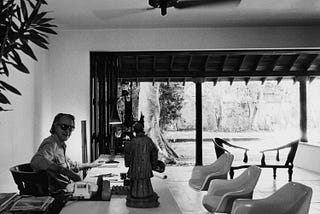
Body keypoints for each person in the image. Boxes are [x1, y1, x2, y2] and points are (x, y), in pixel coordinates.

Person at [30, 113, 99, 195]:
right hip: (58, 195)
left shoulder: (60, 145)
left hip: (66, 190)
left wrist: (90, 165)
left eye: (71, 128)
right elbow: (36, 161)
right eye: (64, 127)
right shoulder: (51, 144)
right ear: (55, 127)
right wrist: (66, 172)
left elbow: (71, 166)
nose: (67, 131)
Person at [124, 122, 159, 208]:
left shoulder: (132, 142)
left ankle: (136, 195)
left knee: (135, 184)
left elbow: (127, 152)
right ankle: (146, 194)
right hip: (146, 166)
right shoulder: (148, 141)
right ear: (142, 130)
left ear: (135, 131)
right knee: (146, 183)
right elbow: (155, 151)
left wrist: (128, 163)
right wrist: (153, 164)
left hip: (135, 167)